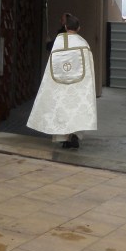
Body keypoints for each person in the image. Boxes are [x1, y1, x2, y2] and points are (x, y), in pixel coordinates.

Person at [27, 13, 97, 149]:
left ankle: (64, 139)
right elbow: (89, 69)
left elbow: (51, 65)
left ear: (65, 27)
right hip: (78, 85)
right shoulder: (84, 44)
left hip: (60, 83)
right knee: (76, 110)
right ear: (79, 28)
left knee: (62, 110)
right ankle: (75, 135)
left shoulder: (58, 43)